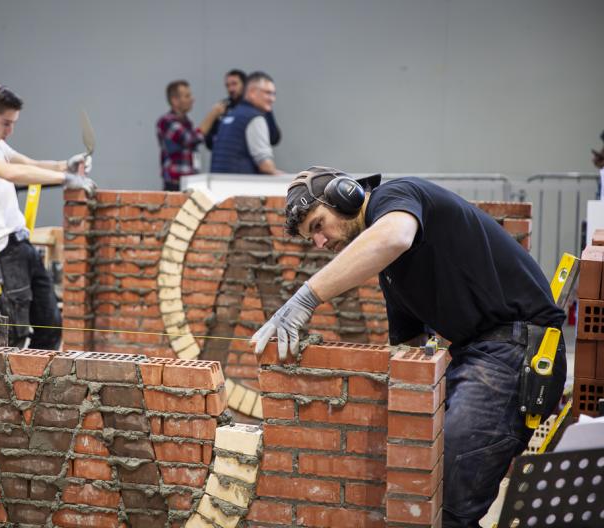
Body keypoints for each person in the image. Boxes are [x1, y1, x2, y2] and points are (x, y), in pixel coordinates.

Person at [250, 167, 567, 527]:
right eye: (312, 238)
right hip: (481, 353)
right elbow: (408, 347)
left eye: (318, 225)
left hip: (515, 350)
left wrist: (306, 298)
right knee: (424, 485)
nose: (320, 243)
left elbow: (394, 236)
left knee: (446, 500)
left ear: (346, 195)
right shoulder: (393, 273)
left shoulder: (396, 197)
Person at [0, 82, 95, 350]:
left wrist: (67, 165)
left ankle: (39, 385)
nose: (10, 130)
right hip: (2, 251)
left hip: (22, 245)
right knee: (15, 334)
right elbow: (13, 174)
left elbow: (29, 165)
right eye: (6, 123)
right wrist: (66, 179)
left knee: (51, 325)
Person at [156, 80, 225, 191]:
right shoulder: (166, 121)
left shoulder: (186, 122)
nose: (192, 99)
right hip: (175, 184)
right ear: (175, 100)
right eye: (187, 96)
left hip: (189, 182)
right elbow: (191, 139)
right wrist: (213, 115)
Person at [209, 71, 283, 175]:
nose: (272, 99)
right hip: (240, 186)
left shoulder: (230, 115)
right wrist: (284, 180)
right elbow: (265, 166)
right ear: (252, 92)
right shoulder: (254, 118)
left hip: (220, 184)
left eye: (273, 94)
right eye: (267, 93)